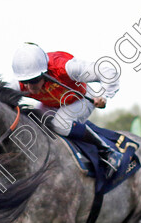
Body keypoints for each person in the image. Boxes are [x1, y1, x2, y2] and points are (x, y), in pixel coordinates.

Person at [10, 42, 122, 177]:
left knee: (60, 124)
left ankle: (107, 151)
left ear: (44, 73)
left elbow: (109, 72)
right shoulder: (19, 84)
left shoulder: (66, 68)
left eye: (33, 81)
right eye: (24, 81)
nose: (28, 87)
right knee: (31, 127)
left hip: (80, 99)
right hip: (51, 105)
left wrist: (105, 95)